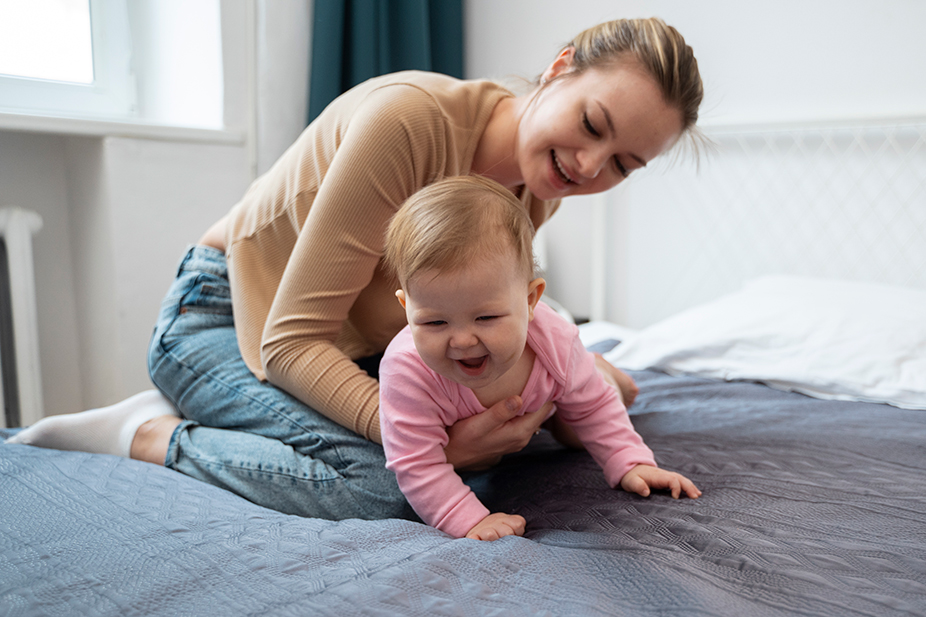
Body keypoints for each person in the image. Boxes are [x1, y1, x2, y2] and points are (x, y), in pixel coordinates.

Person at [7, 18, 703, 521]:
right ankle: (148, 435)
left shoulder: (533, 188)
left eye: (621, 164)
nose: (588, 165)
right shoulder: (409, 122)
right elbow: (289, 342)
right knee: (388, 485)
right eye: (591, 124)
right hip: (221, 318)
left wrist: (569, 390)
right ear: (559, 68)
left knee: (601, 392)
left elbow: (462, 323)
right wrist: (439, 442)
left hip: (348, 343)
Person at [380, 176, 701, 541]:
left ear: (531, 300)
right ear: (407, 308)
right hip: (490, 431)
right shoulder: (406, 371)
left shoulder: (555, 341)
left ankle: (599, 371)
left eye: (486, 318)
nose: (463, 340)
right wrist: (468, 520)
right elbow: (416, 461)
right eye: (434, 322)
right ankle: (589, 370)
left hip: (548, 398)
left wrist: (632, 462)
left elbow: (595, 407)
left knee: (577, 423)